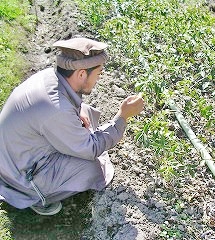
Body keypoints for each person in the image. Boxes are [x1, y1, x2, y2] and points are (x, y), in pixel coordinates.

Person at [0, 37, 145, 215]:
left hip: (16, 156)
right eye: (98, 73)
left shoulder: (50, 77)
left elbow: (65, 110)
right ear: (82, 74)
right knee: (92, 169)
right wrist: (122, 117)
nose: (99, 78)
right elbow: (91, 149)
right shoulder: (56, 109)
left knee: (86, 111)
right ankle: (36, 197)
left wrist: (76, 112)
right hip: (21, 177)